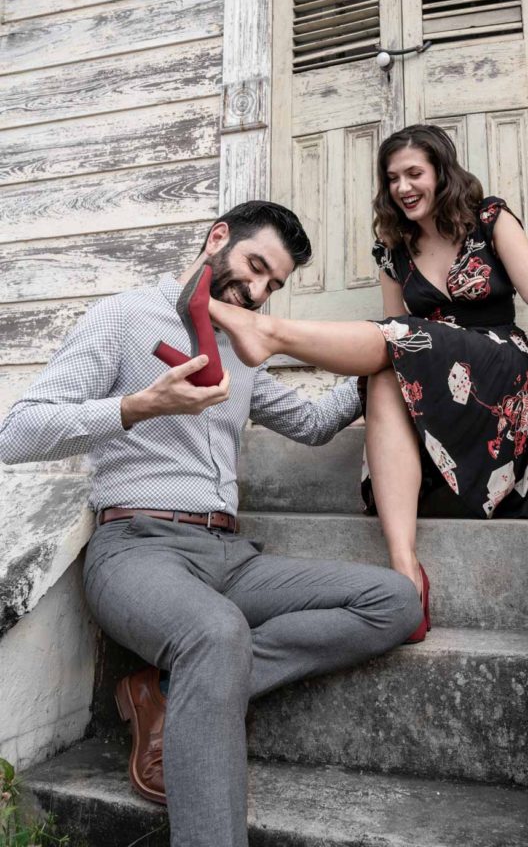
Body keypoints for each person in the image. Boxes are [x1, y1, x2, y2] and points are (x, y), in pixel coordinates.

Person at [0, 200, 423, 847]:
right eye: (254, 266)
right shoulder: (123, 317)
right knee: (216, 633)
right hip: (136, 548)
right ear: (217, 236)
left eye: (272, 284)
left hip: (228, 556)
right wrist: (138, 406)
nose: (255, 291)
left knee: (393, 600)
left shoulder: (244, 349)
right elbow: (17, 432)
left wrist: (391, 354)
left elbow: (311, 424)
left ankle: (171, 690)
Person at [205, 125, 528, 642]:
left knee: (402, 342)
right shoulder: (392, 250)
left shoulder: (490, 219)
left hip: (500, 372)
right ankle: (405, 570)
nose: (402, 187)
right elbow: (391, 335)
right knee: (389, 366)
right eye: (392, 178)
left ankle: (271, 333)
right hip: (437, 380)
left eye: (414, 173)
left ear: (441, 171)